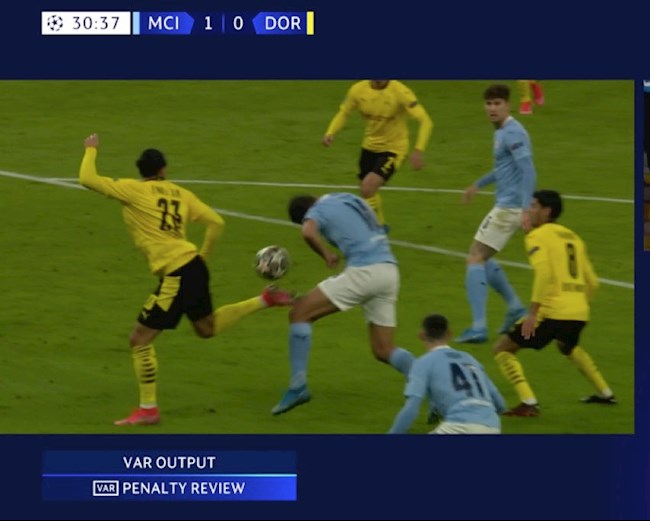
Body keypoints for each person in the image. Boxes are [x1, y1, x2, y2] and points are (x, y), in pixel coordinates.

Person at [79, 133, 293, 426]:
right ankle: (265, 299)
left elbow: (86, 178)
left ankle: (148, 409)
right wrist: (203, 256)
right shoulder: (182, 194)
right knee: (206, 328)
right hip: (194, 267)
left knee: (139, 339)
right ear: (163, 169)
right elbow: (216, 222)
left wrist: (91, 149)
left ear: (140, 170)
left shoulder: (133, 190)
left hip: (176, 273)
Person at [271, 192, 416, 415]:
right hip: (389, 271)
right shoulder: (346, 198)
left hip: (365, 271)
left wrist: (326, 254)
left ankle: (298, 386)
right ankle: (432, 383)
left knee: (299, 314)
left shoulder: (316, 211)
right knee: (383, 349)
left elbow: (308, 232)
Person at [493, 190, 616, 417]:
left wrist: (533, 313)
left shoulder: (537, 236)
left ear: (547, 211)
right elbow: (593, 282)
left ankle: (528, 403)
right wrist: (578, 305)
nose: (529, 210)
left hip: (552, 312)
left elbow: (544, 274)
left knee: (503, 350)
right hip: (579, 312)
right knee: (566, 346)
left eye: (534, 206)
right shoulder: (574, 237)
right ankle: (605, 393)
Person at [456, 84, 536, 344]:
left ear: (508, 105)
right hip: (506, 204)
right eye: (489, 103)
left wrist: (525, 209)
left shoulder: (512, 132)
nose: (492, 108)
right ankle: (514, 307)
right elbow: (503, 168)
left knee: (475, 258)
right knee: (483, 257)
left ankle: (479, 327)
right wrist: (477, 185)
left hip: (509, 207)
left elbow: (528, 169)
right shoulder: (502, 132)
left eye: (497, 103)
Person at [322, 80, 433, 228]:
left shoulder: (400, 91)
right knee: (366, 191)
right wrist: (330, 132)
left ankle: (373, 228)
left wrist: (419, 150)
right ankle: (381, 226)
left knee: (368, 187)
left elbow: (426, 121)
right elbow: (344, 112)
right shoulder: (358, 90)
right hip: (369, 146)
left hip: (394, 148)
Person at [388, 313, 506, 434]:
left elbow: (411, 408)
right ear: (449, 334)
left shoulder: (424, 362)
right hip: (493, 427)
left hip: (459, 426)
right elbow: (500, 404)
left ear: (422, 335)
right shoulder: (470, 359)